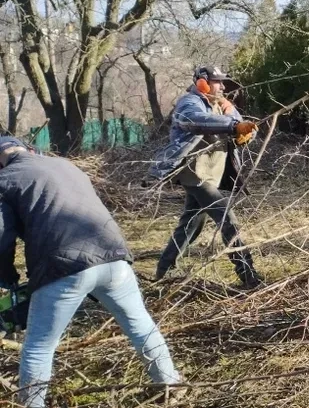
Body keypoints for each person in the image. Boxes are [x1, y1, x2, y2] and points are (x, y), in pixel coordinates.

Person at [0, 138, 182, 406]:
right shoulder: (65, 165)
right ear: (29, 150)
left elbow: (2, 237)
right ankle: (170, 384)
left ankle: (31, 404)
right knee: (141, 326)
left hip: (64, 266)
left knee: (39, 347)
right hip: (114, 255)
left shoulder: (6, 179)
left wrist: (8, 280)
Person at [148, 66, 262, 287]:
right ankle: (248, 274)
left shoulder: (222, 105)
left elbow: (243, 127)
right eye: (217, 82)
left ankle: (163, 271)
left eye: (222, 83)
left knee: (191, 224)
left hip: (211, 173)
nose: (222, 87)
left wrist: (244, 131)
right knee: (228, 219)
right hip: (194, 173)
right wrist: (233, 124)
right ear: (202, 83)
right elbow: (197, 121)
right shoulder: (189, 103)